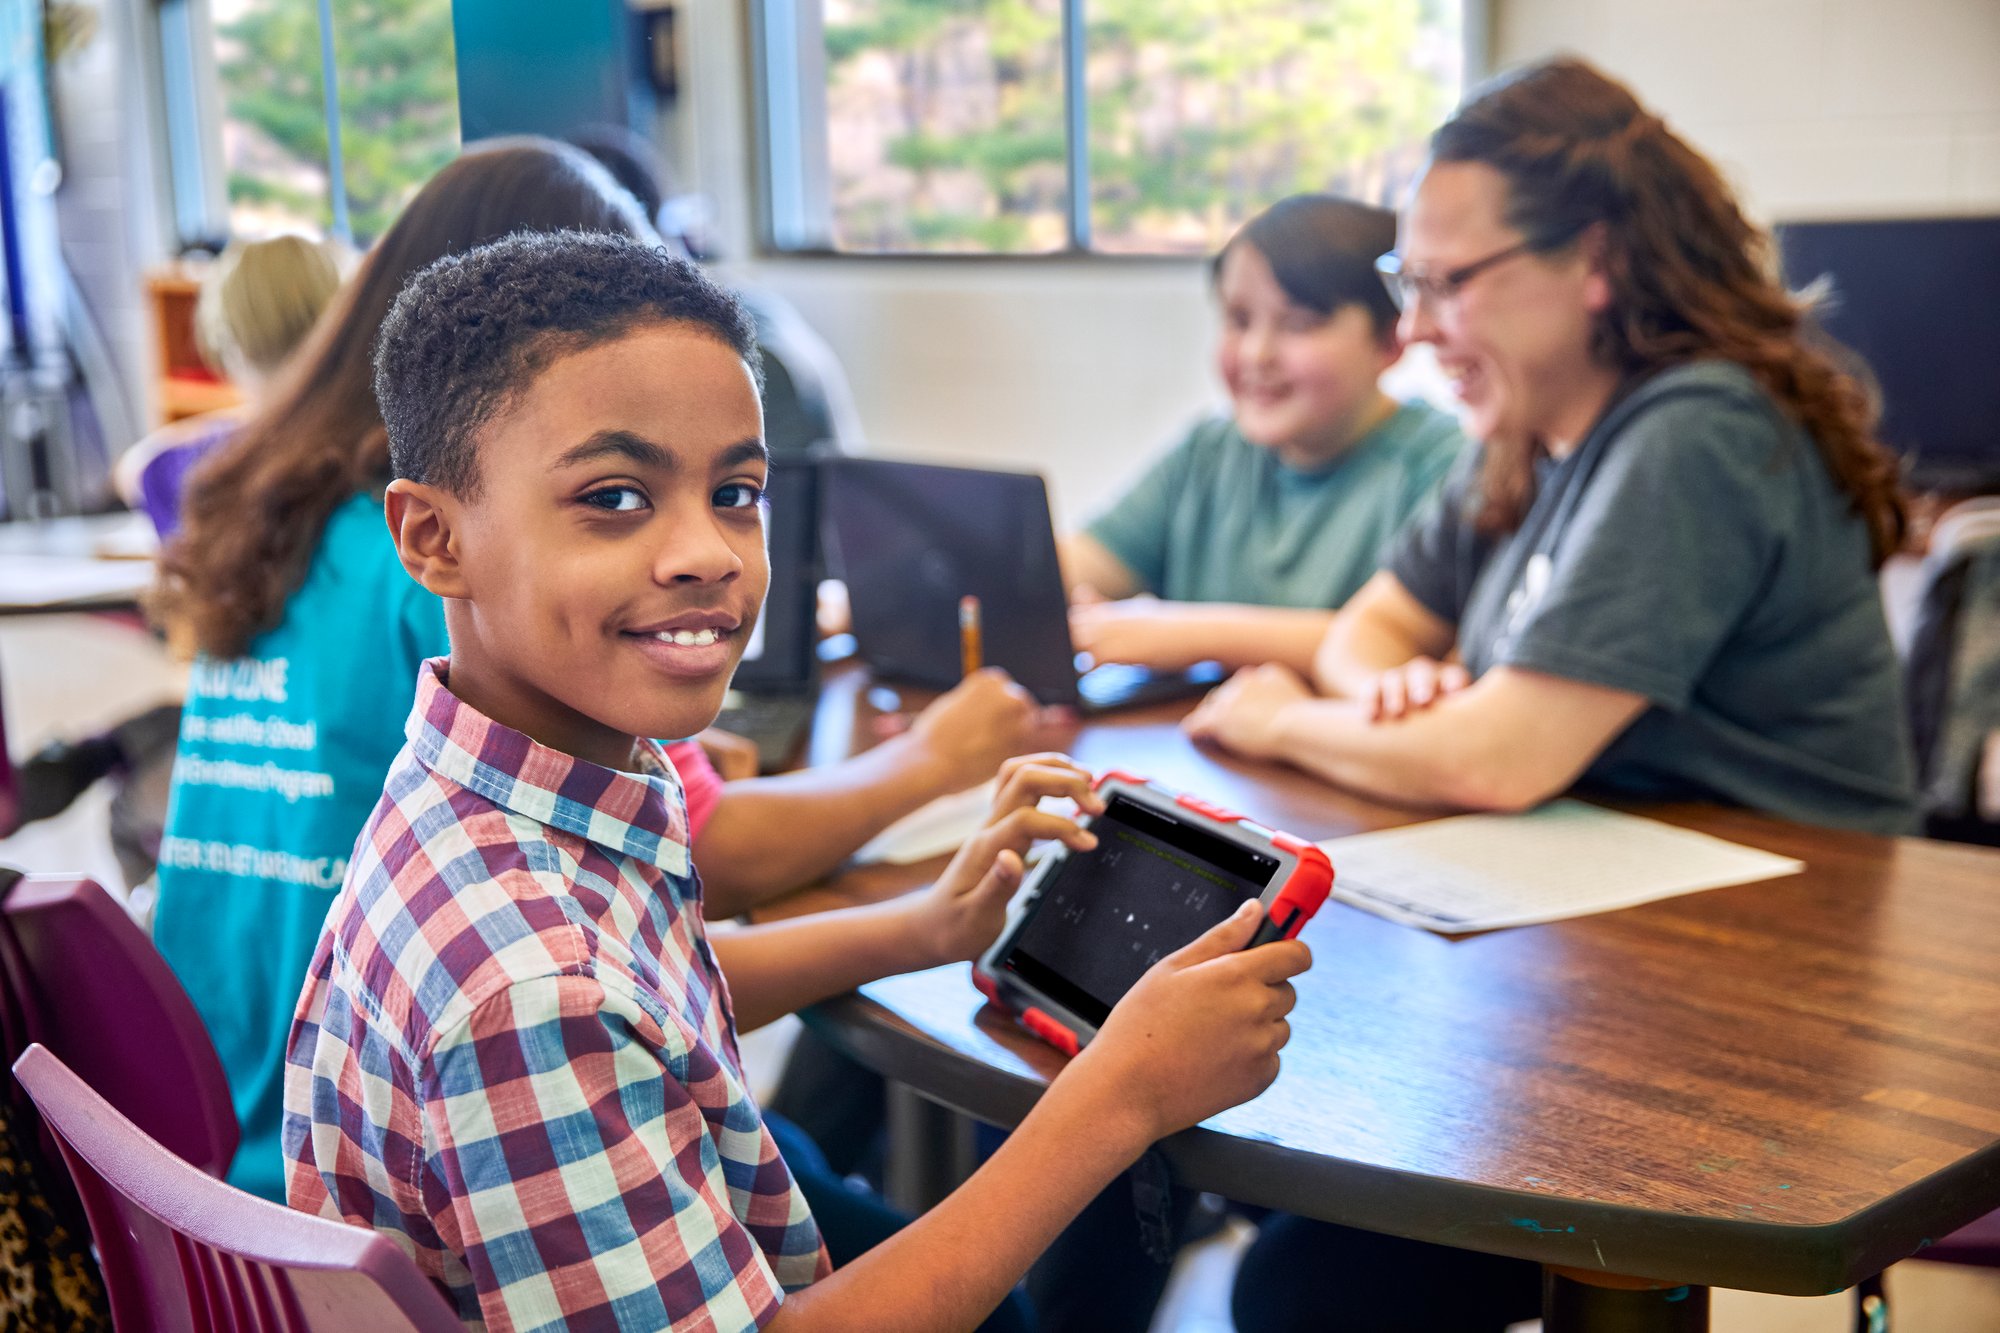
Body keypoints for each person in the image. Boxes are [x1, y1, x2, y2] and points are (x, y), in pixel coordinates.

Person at [283, 228, 1312, 1332]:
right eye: (615, 498)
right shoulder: (532, 992)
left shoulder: (496, 785)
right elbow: (583, 1002)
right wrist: (1120, 1100)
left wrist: (922, 927)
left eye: (735, 491)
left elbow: (656, 994)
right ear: (434, 538)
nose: (708, 553)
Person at [149, 137, 1050, 1206]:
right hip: (382, 1165)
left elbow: (653, 959)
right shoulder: (460, 580)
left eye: (735, 494)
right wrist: (931, 765)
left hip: (215, 1137)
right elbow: (708, 858)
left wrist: (915, 925)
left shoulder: (278, 509)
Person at [1183, 56, 1918, 1331]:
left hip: (1759, 992)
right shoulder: (1528, 431)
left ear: (1593, 263)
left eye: (1446, 285)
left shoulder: (1694, 427)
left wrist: (1283, 718)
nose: (1414, 331)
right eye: (1405, 287)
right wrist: (1396, 685)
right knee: (1268, 1213)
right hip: (1595, 939)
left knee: (1308, 1283)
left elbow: (1498, 761)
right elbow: (1372, 625)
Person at [1060, 194, 1465, 676]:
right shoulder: (1209, 452)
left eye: (1298, 324)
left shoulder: (1445, 466)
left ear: (1393, 339)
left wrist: (1182, 634)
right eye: (1238, 320)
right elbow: (1079, 569)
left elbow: (1407, 643)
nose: (1257, 354)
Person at [114, 234, 343, 538]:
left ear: (229, 347)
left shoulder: (206, 464)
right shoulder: (368, 443)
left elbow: (133, 469)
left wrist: (234, 422)